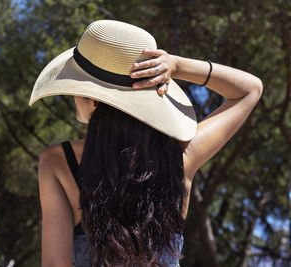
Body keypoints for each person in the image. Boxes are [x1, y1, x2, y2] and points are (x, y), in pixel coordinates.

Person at [29, 20, 263, 267]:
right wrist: (175, 65)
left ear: (93, 98)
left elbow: (55, 263)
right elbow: (250, 89)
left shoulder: (59, 161)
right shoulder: (180, 157)